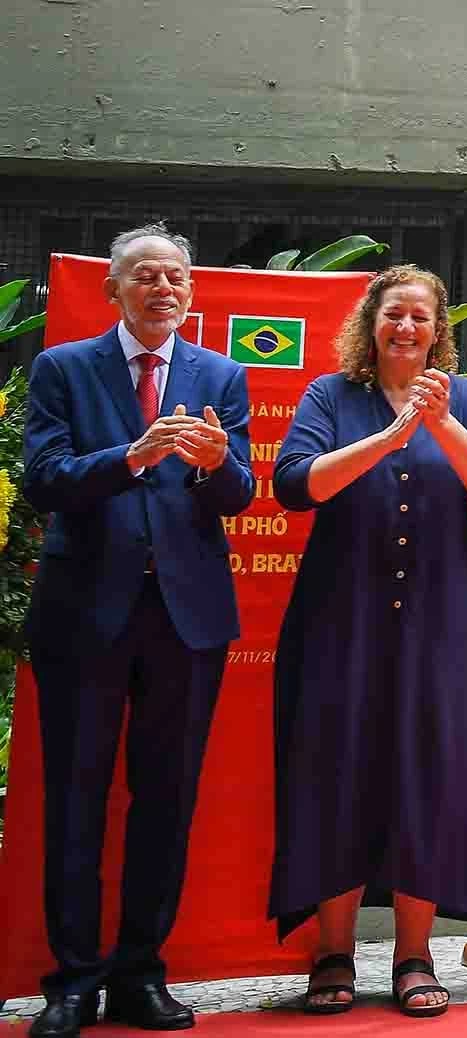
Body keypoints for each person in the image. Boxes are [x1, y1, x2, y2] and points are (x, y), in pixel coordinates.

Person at [20, 224, 254, 1038]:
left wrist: (219, 462)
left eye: (176, 278)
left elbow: (238, 495)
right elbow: (43, 481)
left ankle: (140, 974)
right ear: (114, 290)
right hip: (85, 615)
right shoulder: (64, 368)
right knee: (76, 802)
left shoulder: (220, 375)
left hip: (185, 620)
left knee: (167, 802)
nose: (163, 288)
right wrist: (130, 455)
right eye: (145, 275)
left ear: (190, 294)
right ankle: (72, 982)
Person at [270, 266, 467, 1019]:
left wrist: (439, 424)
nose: (406, 328)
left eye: (420, 318)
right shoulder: (329, 397)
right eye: (394, 314)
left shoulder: (464, 397)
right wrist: (388, 437)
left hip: (444, 621)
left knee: (429, 775)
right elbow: (294, 483)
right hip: (342, 617)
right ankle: (334, 952)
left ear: (438, 330)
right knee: (336, 770)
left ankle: (414, 954)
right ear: (370, 322)